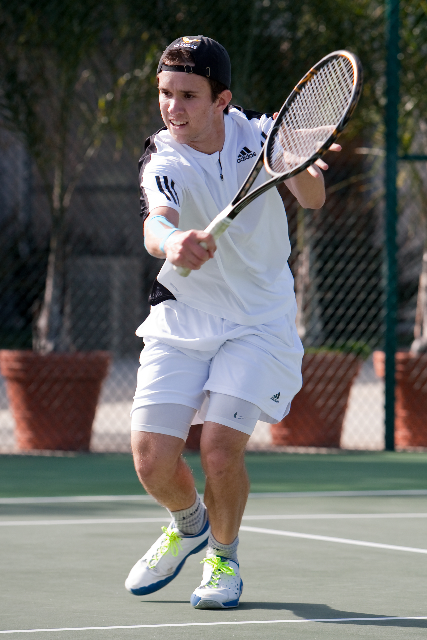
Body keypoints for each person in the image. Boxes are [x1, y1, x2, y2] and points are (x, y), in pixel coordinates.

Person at [125, 35, 340, 610]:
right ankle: (188, 521)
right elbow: (157, 221)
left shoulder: (267, 135)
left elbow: (313, 199)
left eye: (189, 95)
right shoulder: (162, 156)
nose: (173, 108)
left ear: (222, 100)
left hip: (258, 323)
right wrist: (173, 242)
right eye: (166, 93)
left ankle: (223, 555)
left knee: (219, 449)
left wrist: (298, 162)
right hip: (183, 316)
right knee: (151, 460)